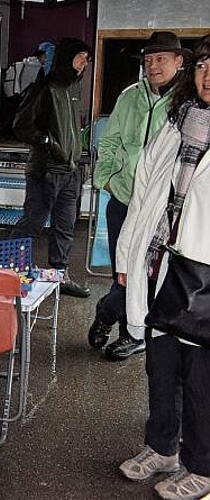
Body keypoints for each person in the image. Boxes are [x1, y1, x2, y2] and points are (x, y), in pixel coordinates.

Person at [115, 34, 210, 500]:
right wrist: (126, 257)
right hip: (161, 263)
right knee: (161, 364)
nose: (208, 75)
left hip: (205, 276)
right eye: (203, 66)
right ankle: (162, 448)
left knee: (200, 376)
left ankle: (203, 466)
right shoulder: (177, 123)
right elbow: (145, 193)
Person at [89, 31, 189, 361]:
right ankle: (110, 315)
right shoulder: (129, 97)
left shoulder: (188, 104)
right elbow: (110, 141)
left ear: (179, 61)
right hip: (124, 201)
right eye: (148, 60)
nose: (153, 66)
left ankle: (129, 333)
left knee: (154, 277)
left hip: (165, 210)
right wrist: (104, 178)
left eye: (161, 59)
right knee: (125, 272)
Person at [10, 37, 92, 298]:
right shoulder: (47, 87)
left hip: (69, 171)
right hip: (45, 170)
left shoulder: (73, 89)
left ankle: (60, 276)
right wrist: (47, 141)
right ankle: (11, 272)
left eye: (87, 59)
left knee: (65, 226)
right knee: (32, 222)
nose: (84, 63)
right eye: (80, 57)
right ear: (67, 57)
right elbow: (21, 125)